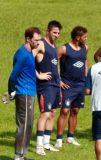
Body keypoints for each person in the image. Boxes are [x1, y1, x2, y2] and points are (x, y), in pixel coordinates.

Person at [8, 27, 42, 160]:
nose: (38, 43)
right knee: (23, 124)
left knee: (28, 125)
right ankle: (18, 157)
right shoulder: (22, 54)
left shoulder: (29, 53)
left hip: (29, 93)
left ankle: (22, 155)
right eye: (36, 40)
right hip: (24, 94)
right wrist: (11, 91)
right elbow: (13, 76)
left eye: (39, 40)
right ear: (28, 39)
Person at [55, 26, 88, 148]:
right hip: (67, 85)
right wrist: (58, 80)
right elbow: (53, 64)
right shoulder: (64, 49)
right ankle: (58, 139)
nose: (86, 38)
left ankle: (70, 137)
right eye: (85, 36)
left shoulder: (85, 47)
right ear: (78, 37)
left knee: (75, 111)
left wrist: (86, 77)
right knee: (64, 111)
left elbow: (85, 62)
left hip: (80, 85)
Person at [34, 20, 62, 155]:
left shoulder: (53, 46)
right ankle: (39, 146)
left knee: (52, 113)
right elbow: (27, 59)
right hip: (45, 85)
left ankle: (46, 143)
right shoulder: (41, 44)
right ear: (48, 31)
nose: (56, 35)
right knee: (45, 113)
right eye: (54, 32)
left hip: (56, 84)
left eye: (58, 33)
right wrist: (39, 75)